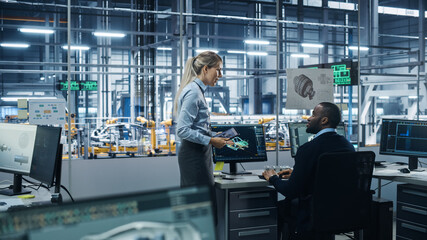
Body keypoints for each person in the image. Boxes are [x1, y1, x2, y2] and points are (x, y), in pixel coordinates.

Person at [262, 102, 355, 239]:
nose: (308, 118)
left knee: (280, 207)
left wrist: (273, 178)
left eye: (313, 115)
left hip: (312, 214)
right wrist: (299, 174)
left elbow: (291, 190)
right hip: (338, 211)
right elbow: (330, 177)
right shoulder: (348, 146)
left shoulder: (308, 149)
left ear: (324, 120)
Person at [174, 51, 232, 188]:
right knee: (200, 202)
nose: (220, 75)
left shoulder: (198, 91)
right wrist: (211, 140)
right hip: (193, 155)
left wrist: (212, 136)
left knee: (204, 200)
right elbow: (182, 130)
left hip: (199, 153)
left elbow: (196, 126)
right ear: (205, 69)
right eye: (218, 70)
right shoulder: (193, 92)